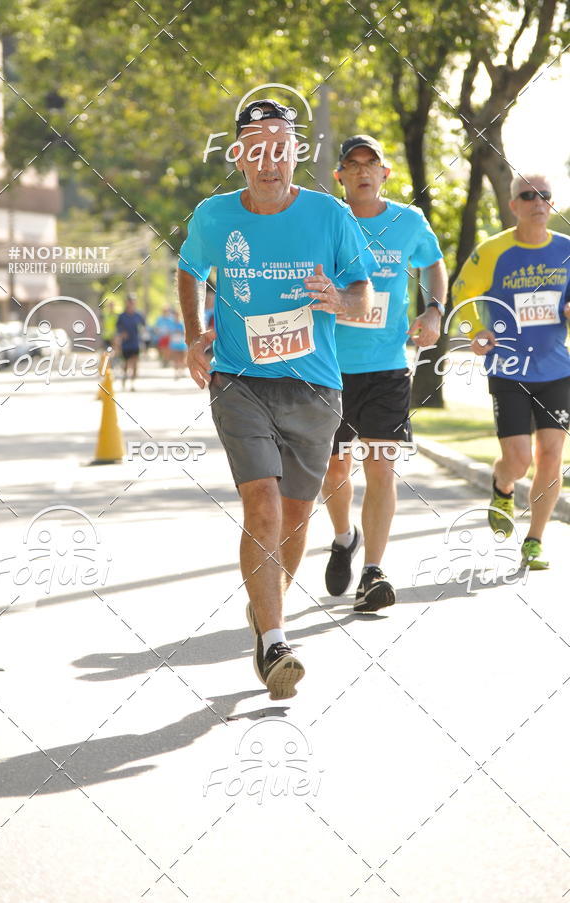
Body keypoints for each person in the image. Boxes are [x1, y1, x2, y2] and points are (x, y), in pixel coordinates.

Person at [178, 99, 372, 699]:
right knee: (260, 504)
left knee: (293, 517)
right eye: (255, 145)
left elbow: (363, 298)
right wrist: (193, 333)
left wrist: (340, 302)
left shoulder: (329, 215)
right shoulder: (214, 217)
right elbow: (189, 269)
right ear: (239, 156)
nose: (268, 158)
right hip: (241, 381)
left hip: (315, 387)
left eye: (280, 144)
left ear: (295, 153)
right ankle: (274, 643)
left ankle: (265, 613)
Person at [322, 135, 447, 611]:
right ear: (341, 176)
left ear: (385, 173)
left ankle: (373, 572)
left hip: (388, 366)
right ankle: (343, 536)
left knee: (380, 465)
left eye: (370, 164)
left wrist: (434, 310)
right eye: (352, 165)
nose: (362, 172)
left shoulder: (408, 221)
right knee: (333, 468)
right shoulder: (327, 219)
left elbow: (434, 265)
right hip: (328, 367)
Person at [452, 172, 570, 570]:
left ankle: (535, 540)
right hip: (509, 367)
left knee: (551, 456)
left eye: (545, 196)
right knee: (518, 461)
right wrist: (474, 328)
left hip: (557, 369)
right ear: (513, 204)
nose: (538, 202)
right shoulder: (493, 251)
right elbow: (461, 293)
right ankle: (502, 485)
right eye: (528, 195)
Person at [115, 293, 145, 390]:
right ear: (127, 302)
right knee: (126, 364)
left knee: (135, 363)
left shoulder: (138, 315)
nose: (132, 303)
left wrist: (143, 335)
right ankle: (124, 379)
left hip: (135, 342)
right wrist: (121, 334)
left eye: (133, 301)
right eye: (130, 301)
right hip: (126, 344)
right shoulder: (122, 316)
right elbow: (118, 328)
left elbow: (144, 326)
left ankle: (132, 384)